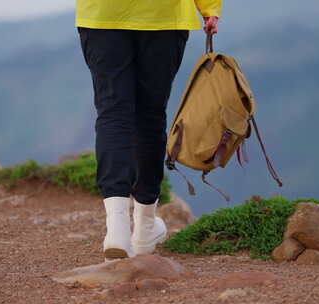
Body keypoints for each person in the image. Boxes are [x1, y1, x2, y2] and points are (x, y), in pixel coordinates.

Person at [76, 0, 221, 260]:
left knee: (113, 114)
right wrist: (210, 8)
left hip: (102, 14)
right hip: (163, 15)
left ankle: (117, 228)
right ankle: (144, 227)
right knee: (150, 117)